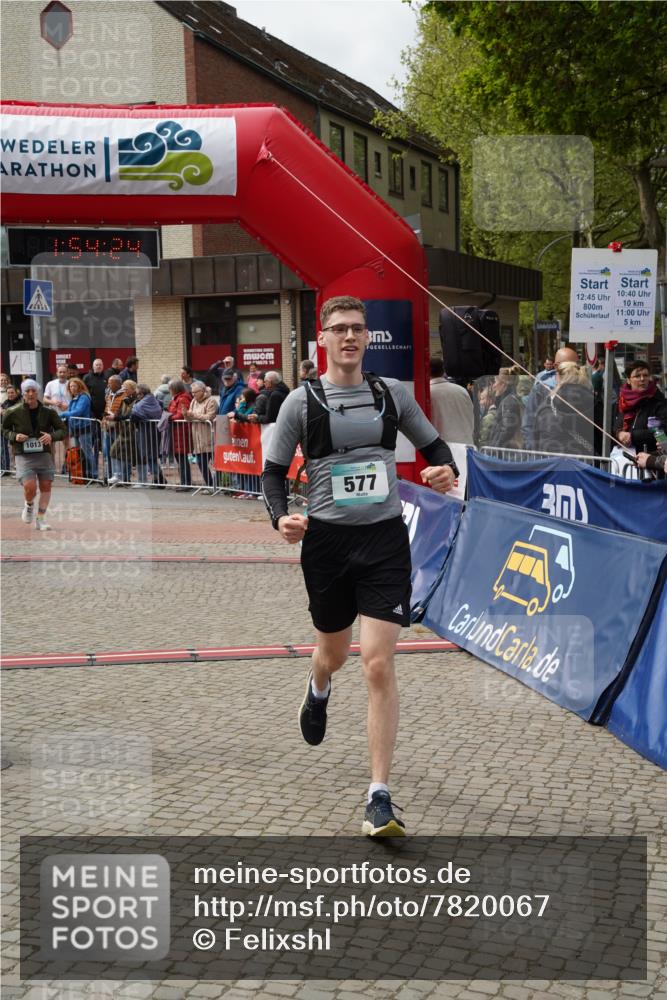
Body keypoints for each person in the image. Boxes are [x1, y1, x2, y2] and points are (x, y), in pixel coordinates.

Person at [261, 295, 458, 837]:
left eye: (358, 329)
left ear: (367, 338)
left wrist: (444, 472)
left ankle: (378, 796)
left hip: (384, 543)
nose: (349, 337)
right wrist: (281, 519)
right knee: (334, 654)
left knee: (376, 662)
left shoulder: (391, 394)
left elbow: (438, 451)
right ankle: (318, 684)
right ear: (321, 339)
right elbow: (273, 475)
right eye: (339, 329)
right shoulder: (300, 403)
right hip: (326, 545)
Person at [2, 378, 66, 530]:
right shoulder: (13, 411)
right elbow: (4, 429)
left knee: (46, 486)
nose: (30, 394)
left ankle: (41, 519)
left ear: (37, 393)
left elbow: (62, 430)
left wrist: (51, 436)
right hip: (23, 454)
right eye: (27, 391)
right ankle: (29, 505)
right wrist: (14, 436)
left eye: (33, 391)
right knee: (30, 487)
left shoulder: (48, 412)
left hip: (43, 455)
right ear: (22, 394)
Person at [522, 346, 579, 449]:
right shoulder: (541, 389)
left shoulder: (581, 390)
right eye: (570, 366)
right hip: (546, 455)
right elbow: (528, 423)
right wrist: (534, 453)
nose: (575, 371)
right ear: (557, 366)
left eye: (577, 367)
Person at [534, 361, 594, 455]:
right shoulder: (592, 401)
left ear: (558, 377)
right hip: (583, 460)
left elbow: (535, 433)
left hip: (549, 461)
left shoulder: (548, 403)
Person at [615, 361, 667, 453]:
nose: (642, 379)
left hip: (650, 457)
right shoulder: (623, 400)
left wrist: (633, 436)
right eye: (637, 376)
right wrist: (619, 434)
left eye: (646, 375)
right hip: (623, 457)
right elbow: (616, 424)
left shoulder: (658, 401)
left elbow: (663, 432)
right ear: (628, 380)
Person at [429, 356, 474, 446]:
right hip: (466, 446)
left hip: (443, 450)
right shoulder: (462, 390)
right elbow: (472, 416)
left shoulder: (428, 394)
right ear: (443, 370)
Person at [60, 377, 97, 479]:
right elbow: (73, 414)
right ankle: (83, 473)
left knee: (87, 452)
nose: (72, 388)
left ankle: (93, 474)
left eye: (74, 386)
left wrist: (63, 414)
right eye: (71, 386)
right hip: (76, 429)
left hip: (84, 428)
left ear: (80, 386)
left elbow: (78, 412)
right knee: (79, 452)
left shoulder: (84, 397)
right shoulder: (74, 398)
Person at [184, 380, 218, 488]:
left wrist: (193, 414)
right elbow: (190, 419)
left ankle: (218, 484)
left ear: (203, 391)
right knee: (200, 462)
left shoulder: (211, 401)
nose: (193, 394)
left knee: (217, 464)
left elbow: (210, 417)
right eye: (192, 392)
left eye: (195, 392)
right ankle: (210, 485)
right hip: (197, 437)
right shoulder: (193, 401)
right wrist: (186, 415)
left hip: (209, 436)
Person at [131, 384, 165, 487]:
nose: (137, 396)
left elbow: (135, 415)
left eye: (137, 394)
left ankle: (159, 480)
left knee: (149, 456)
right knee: (152, 457)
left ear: (141, 394)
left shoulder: (142, 404)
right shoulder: (154, 401)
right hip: (154, 431)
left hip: (145, 432)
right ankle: (158, 479)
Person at [108, 380, 139, 485]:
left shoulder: (136, 399)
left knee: (130, 456)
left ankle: (125, 478)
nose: (124, 390)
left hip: (132, 431)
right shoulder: (125, 399)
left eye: (126, 388)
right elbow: (121, 412)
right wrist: (114, 415)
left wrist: (116, 417)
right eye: (123, 388)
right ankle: (118, 475)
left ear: (133, 389)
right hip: (123, 431)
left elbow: (130, 414)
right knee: (114, 451)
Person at [488, 367, 524, 449]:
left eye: (495, 382)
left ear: (503, 384)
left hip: (507, 453)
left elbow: (507, 430)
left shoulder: (509, 402)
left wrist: (494, 449)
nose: (493, 385)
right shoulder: (508, 400)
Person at [167, 378, 193, 485]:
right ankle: (183, 481)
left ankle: (186, 482)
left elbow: (181, 414)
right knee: (179, 458)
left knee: (182, 459)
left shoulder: (182, 398)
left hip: (182, 431)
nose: (169, 390)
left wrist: (169, 417)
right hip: (176, 432)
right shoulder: (176, 398)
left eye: (170, 388)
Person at [1, 384, 20, 472]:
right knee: (11, 449)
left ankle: (19, 466)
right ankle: (13, 467)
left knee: (17, 448)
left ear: (16, 393)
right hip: (9, 430)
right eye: (9, 393)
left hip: (19, 429)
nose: (10, 395)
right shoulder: (5, 402)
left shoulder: (20, 401)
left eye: (12, 393)